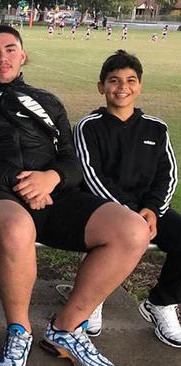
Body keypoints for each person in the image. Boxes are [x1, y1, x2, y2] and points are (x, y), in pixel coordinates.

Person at [0, 25, 149, 366]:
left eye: (10, 49)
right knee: (16, 229)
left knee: (133, 230)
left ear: (23, 56)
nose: (2, 57)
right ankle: (19, 332)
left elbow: (72, 160)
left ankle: (67, 328)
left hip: (54, 193)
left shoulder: (48, 101)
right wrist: (21, 181)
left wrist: (51, 178)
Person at [74, 49, 181, 348]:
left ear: (140, 86)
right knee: (108, 236)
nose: (122, 87)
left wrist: (152, 210)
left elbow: (167, 174)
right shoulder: (88, 126)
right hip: (105, 209)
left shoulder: (156, 128)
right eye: (114, 80)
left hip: (150, 210)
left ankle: (161, 302)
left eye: (130, 80)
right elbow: (91, 176)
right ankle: (94, 297)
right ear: (101, 86)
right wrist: (132, 215)